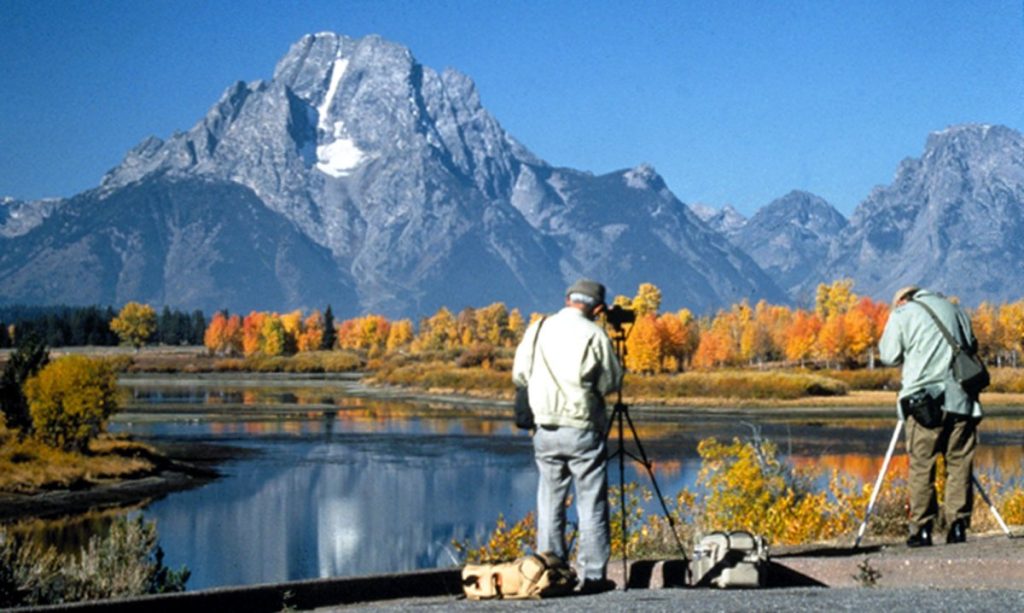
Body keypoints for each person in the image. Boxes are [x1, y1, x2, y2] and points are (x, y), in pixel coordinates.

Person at [512, 279, 624, 593]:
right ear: (598, 309)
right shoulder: (595, 334)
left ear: (567, 299)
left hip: (544, 429)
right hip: (583, 428)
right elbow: (611, 381)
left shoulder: (538, 328)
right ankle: (593, 576)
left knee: (550, 499)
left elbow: (520, 374)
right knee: (591, 502)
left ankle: (550, 571)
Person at [879, 286, 982, 547]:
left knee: (922, 464)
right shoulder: (957, 311)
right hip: (961, 399)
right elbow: (972, 346)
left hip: (924, 402)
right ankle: (958, 525)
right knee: (959, 462)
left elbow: (889, 356)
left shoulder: (903, 314)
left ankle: (922, 528)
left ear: (902, 300)